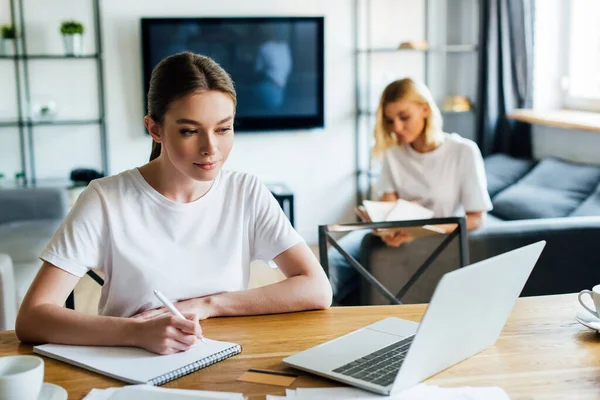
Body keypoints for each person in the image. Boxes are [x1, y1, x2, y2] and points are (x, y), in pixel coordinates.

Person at [16, 52, 332, 354]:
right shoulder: (105, 200)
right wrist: (135, 333)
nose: (211, 148)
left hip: (223, 358)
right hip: (132, 369)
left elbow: (317, 289)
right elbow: (32, 317)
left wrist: (208, 305)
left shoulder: (245, 192)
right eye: (189, 131)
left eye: (224, 128)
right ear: (155, 129)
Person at [329, 78, 492, 305]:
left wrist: (427, 229)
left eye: (404, 117)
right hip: (399, 236)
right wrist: (383, 228)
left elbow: (476, 218)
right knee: (331, 266)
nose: (396, 127)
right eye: (389, 120)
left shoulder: (463, 151)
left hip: (437, 238)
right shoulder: (394, 153)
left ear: (425, 109)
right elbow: (388, 209)